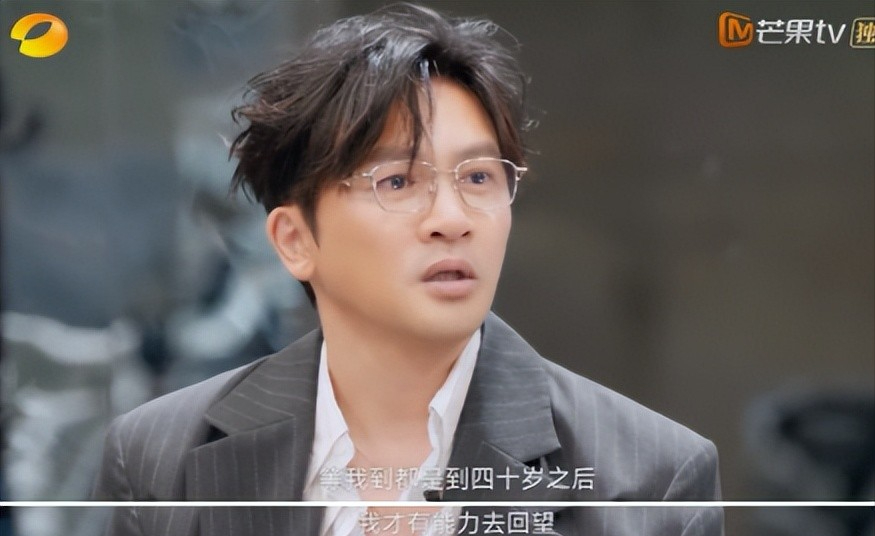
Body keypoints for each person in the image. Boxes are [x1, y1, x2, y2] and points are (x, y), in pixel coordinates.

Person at [92, 4, 723, 535]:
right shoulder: (160, 459)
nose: (452, 218)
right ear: (295, 240)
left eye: (479, 177)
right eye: (397, 180)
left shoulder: (649, 480)